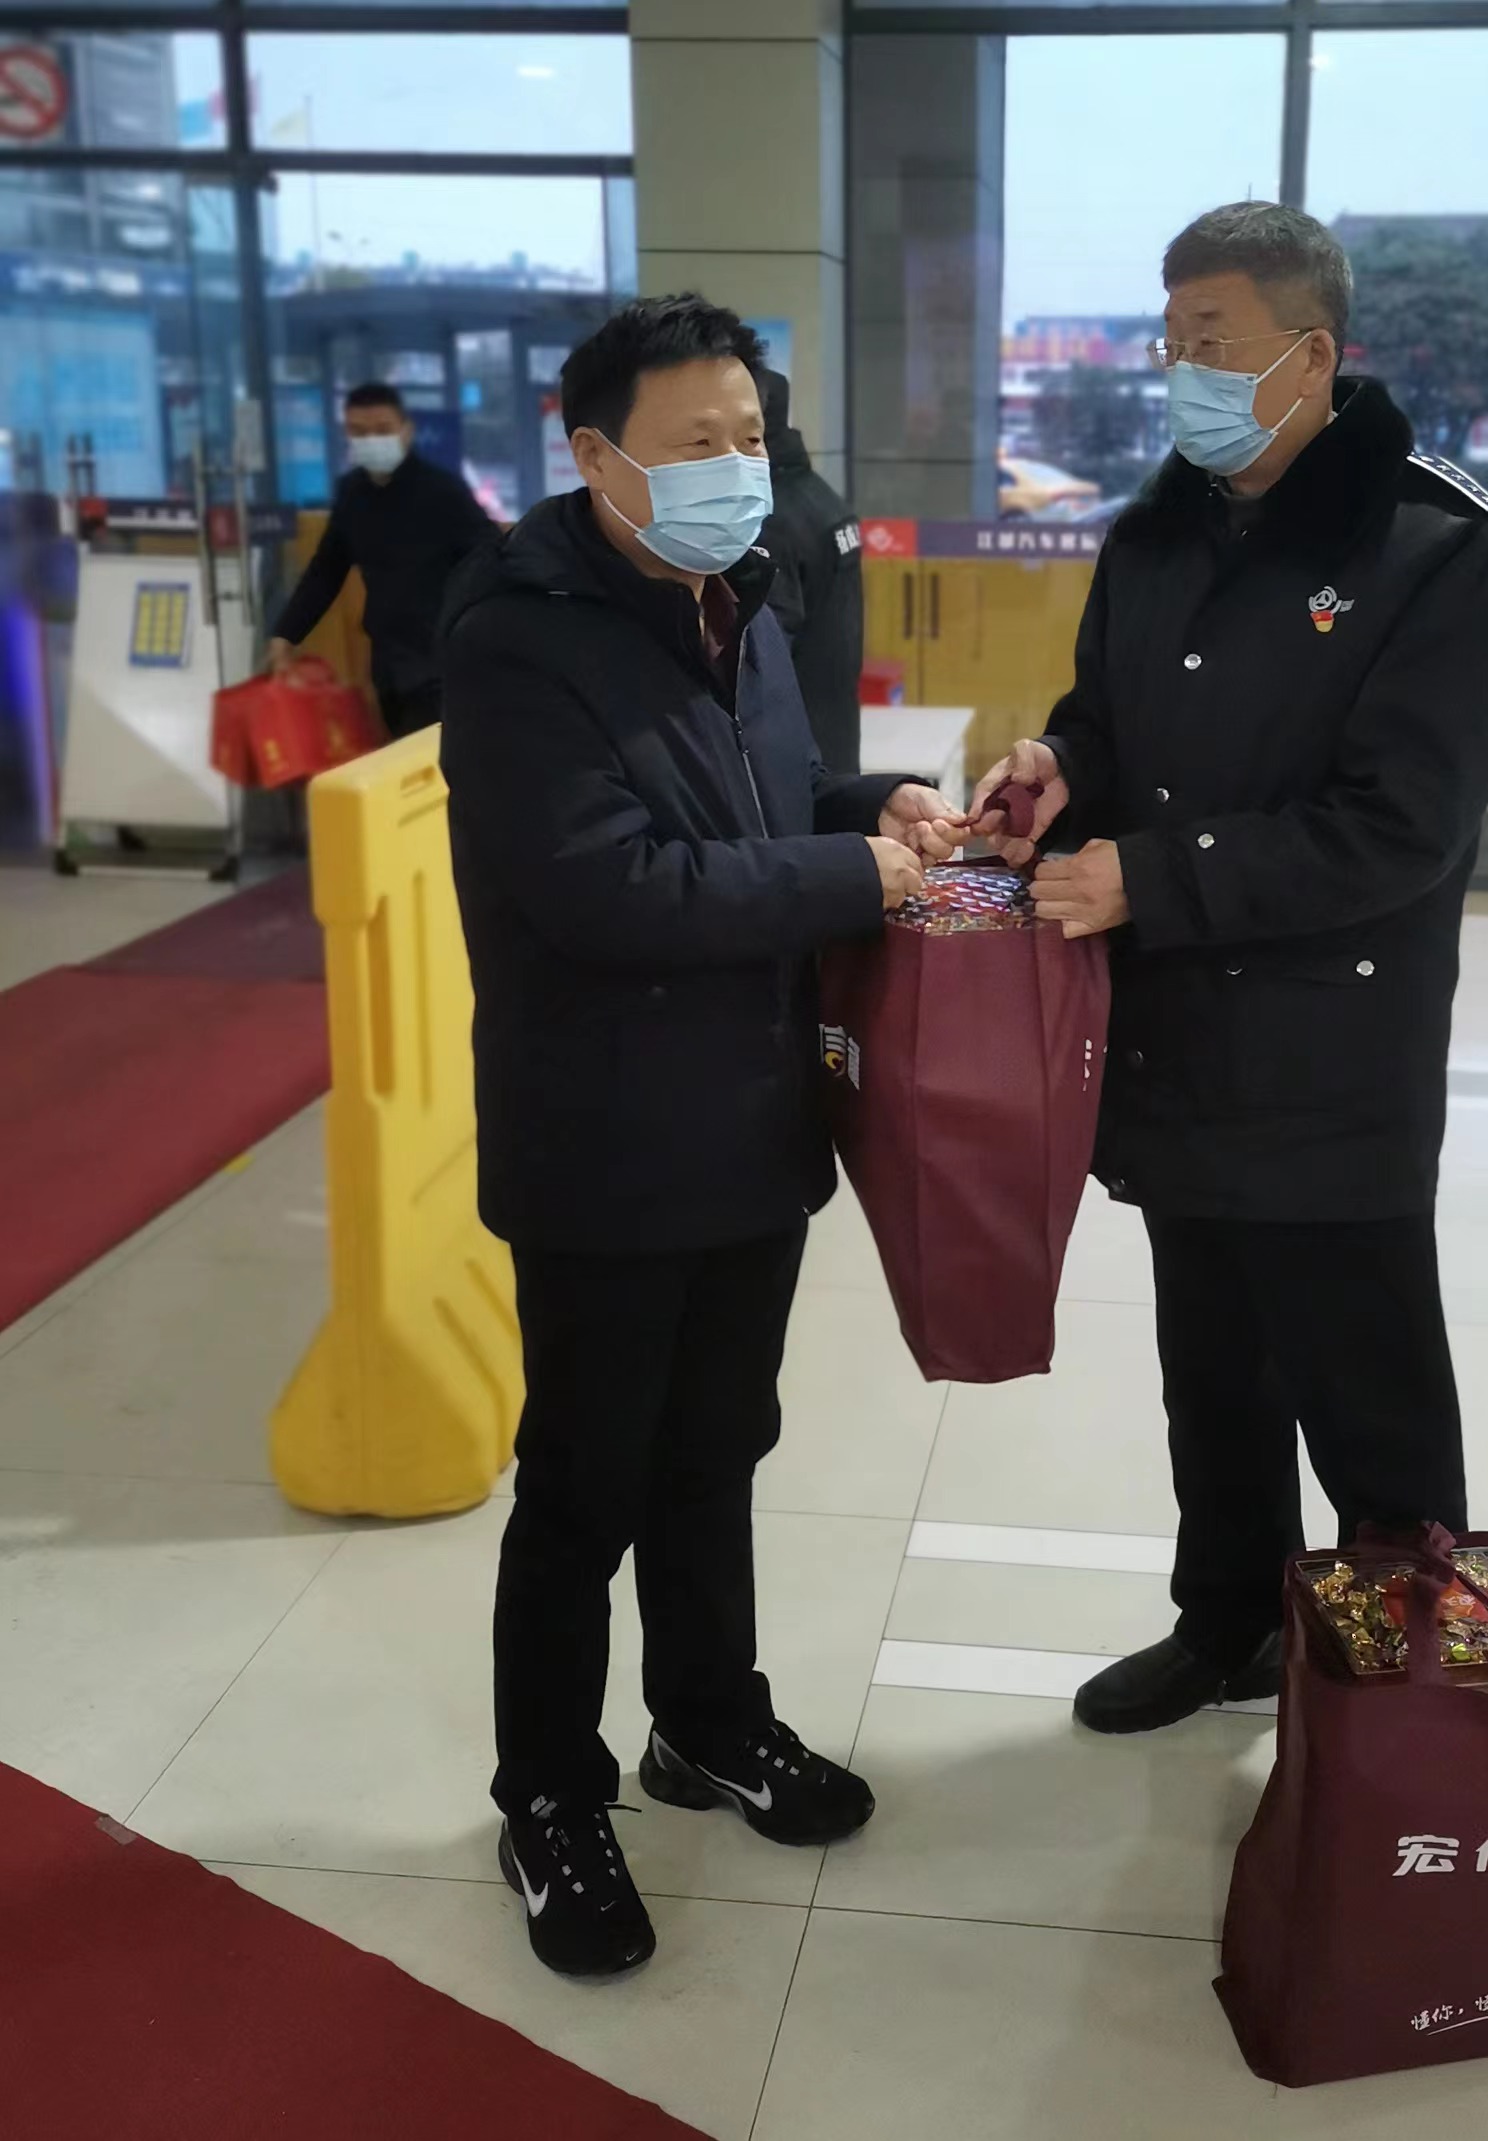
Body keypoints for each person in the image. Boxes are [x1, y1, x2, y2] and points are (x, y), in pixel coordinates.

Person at [438, 294, 965, 1979]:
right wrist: (849, 876)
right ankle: (548, 1791)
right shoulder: (517, 638)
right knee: (585, 1480)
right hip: (603, 1139)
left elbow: (763, 805)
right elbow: (610, 887)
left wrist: (871, 810)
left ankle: (708, 1721)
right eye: (696, 442)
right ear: (596, 457)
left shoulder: (739, 597)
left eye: (750, 434)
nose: (737, 467)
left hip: (750, 1117)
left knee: (719, 1444)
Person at [971, 202, 1488, 1737]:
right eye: (1170, 346)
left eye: (1210, 344)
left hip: (1330, 1058)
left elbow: (1398, 829)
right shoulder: (1160, 526)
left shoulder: (1433, 546)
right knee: (1210, 1368)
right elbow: (1105, 716)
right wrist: (1057, 767)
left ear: (1312, 355)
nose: (1182, 375)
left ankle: (1403, 1700)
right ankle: (1225, 1621)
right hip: (1176, 1037)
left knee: (1367, 1394)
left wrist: (1148, 879)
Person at [268, 382, 494, 738]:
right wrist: (286, 633)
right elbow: (326, 570)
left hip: (441, 663)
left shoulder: (442, 491)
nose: (371, 440)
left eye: (383, 430)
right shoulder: (352, 493)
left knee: (431, 762)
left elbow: (492, 559)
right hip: (387, 662)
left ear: (406, 430)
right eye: (359, 432)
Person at [759, 368, 864, 774]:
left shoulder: (769, 521)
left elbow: (758, 670)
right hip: (832, 745)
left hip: (792, 764)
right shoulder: (820, 497)